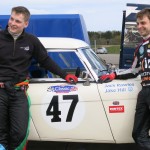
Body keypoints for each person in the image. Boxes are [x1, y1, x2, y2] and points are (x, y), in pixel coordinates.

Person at [0, 6, 78, 150]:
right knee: (0, 133)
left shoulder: (31, 40)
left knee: (19, 132)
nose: (12, 23)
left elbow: (45, 60)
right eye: (11, 18)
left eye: (17, 21)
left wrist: (65, 75)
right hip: (0, 90)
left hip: (18, 91)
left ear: (26, 24)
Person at [99, 8, 150, 150]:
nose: (139, 26)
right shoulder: (140, 48)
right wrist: (114, 75)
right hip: (145, 90)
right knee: (138, 134)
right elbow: (134, 71)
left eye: (143, 23)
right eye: (138, 23)